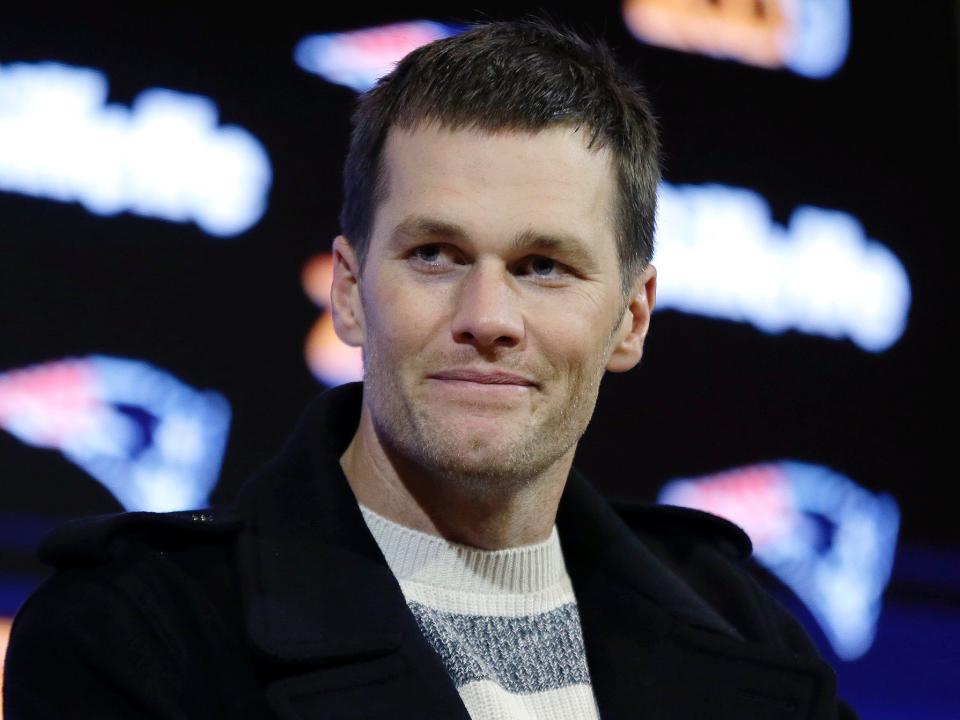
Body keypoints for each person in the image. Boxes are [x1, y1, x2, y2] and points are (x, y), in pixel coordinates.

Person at [3, 18, 856, 720]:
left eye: (543, 266)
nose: (487, 319)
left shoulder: (748, 641)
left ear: (631, 318)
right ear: (348, 290)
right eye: (437, 254)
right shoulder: (136, 639)